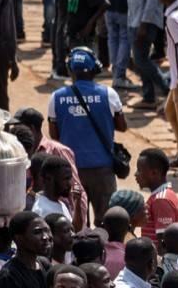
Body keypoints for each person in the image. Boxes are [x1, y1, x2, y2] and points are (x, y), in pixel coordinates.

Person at [48, 47, 125, 224]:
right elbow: (122, 126)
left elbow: (54, 134)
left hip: (71, 172)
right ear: (95, 69)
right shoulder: (109, 94)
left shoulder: (56, 97)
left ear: (70, 70)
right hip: (103, 170)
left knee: (77, 223)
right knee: (106, 223)